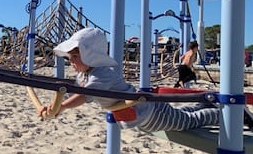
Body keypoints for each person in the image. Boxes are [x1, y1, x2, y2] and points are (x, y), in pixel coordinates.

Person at [38, 28, 253, 133]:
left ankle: (229, 114)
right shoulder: (85, 73)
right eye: (69, 57)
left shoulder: (101, 73)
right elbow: (77, 90)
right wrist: (54, 105)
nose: (71, 61)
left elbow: (84, 96)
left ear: (90, 56)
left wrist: (62, 107)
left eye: (75, 56)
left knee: (189, 122)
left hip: (148, 113)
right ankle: (203, 103)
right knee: (182, 115)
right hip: (144, 112)